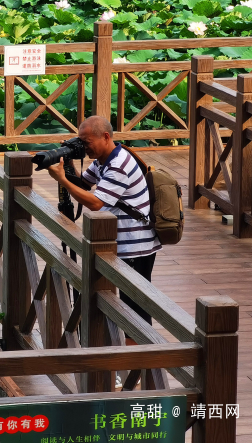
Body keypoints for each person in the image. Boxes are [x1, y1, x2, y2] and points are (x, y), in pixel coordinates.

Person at [45, 115, 161, 344]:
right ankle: (128, 363)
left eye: (87, 142)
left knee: (134, 309)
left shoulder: (119, 165)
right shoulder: (103, 159)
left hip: (135, 247)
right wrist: (67, 163)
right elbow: (84, 186)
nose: (84, 147)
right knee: (122, 305)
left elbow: (95, 203)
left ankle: (136, 370)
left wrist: (63, 181)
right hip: (120, 243)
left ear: (105, 136)